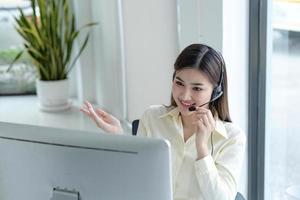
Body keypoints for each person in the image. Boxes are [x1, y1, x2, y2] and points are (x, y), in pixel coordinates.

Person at [80, 43, 246, 200]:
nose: (185, 96)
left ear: (216, 92)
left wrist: (202, 149)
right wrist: (121, 138)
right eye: (179, 83)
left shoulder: (232, 138)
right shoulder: (152, 117)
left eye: (197, 88)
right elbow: (136, 180)